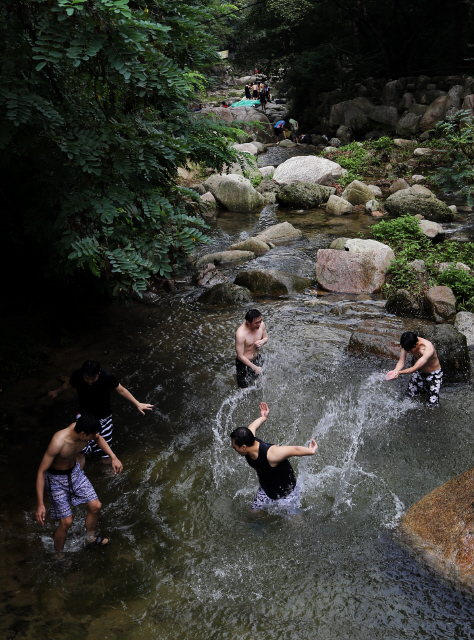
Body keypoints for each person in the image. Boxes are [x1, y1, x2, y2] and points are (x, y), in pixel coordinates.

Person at [35, 414, 123, 553]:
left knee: (96, 506)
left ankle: (90, 539)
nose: (95, 436)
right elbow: (41, 472)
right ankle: (58, 555)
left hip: (75, 473)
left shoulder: (85, 431)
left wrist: (113, 457)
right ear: (82, 434)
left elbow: (99, 438)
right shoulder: (58, 442)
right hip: (56, 480)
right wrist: (40, 503)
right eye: (92, 435)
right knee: (66, 522)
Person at [48, 360, 153, 464]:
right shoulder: (78, 375)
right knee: (79, 450)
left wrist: (137, 403)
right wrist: (56, 392)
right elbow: (68, 384)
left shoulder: (107, 377)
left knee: (106, 452)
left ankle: (107, 472)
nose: (89, 381)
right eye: (86, 378)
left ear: (98, 373)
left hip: (103, 415)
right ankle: (79, 475)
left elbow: (121, 390)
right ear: (82, 374)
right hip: (84, 415)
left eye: (93, 378)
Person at [230, 402, 318, 510]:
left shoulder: (271, 454)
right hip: (266, 491)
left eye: (235, 447)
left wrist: (311, 451)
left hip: (287, 493)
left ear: (243, 447)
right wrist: (263, 417)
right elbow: (252, 426)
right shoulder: (249, 439)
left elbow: (294, 450)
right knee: (254, 512)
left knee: (293, 522)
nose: (234, 449)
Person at [387, 331, 443, 407]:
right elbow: (401, 362)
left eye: (410, 350)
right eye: (407, 350)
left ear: (416, 344)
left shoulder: (427, 348)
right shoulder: (406, 344)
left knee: (432, 404)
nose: (409, 352)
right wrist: (395, 371)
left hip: (434, 375)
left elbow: (415, 367)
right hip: (420, 372)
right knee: (409, 396)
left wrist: (400, 372)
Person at [235, 309, 268, 388]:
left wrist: (262, 341)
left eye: (260, 321)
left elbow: (266, 337)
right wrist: (254, 367)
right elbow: (240, 356)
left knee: (263, 382)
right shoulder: (240, 334)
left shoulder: (261, 325)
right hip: (244, 364)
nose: (259, 324)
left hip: (256, 358)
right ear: (248, 322)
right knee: (243, 390)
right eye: (256, 323)